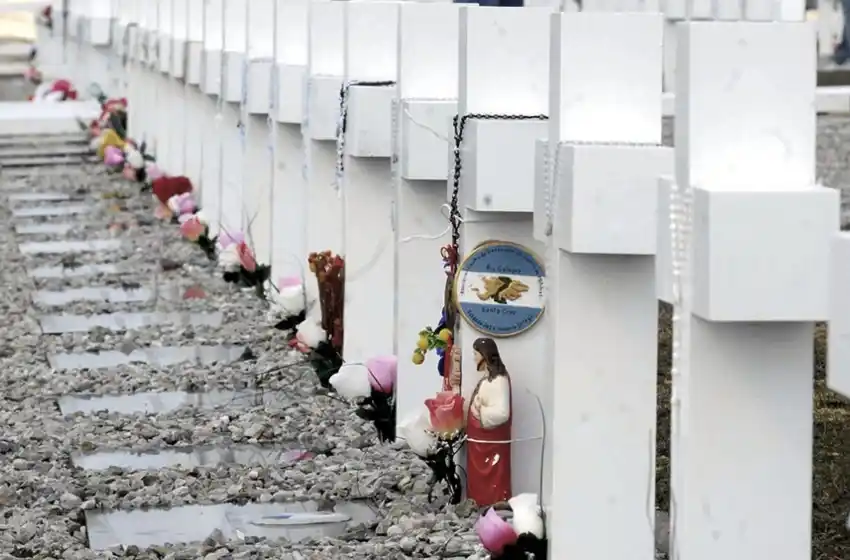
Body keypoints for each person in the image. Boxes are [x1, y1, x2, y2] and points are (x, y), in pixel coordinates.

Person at [466, 337, 513, 506]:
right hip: (479, 444)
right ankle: (479, 504)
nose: (474, 358)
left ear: (485, 355)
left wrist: (480, 411)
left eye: (475, 354)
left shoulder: (500, 381)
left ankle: (496, 506)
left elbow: (503, 413)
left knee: (495, 478)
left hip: (492, 443)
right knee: (478, 480)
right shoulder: (487, 379)